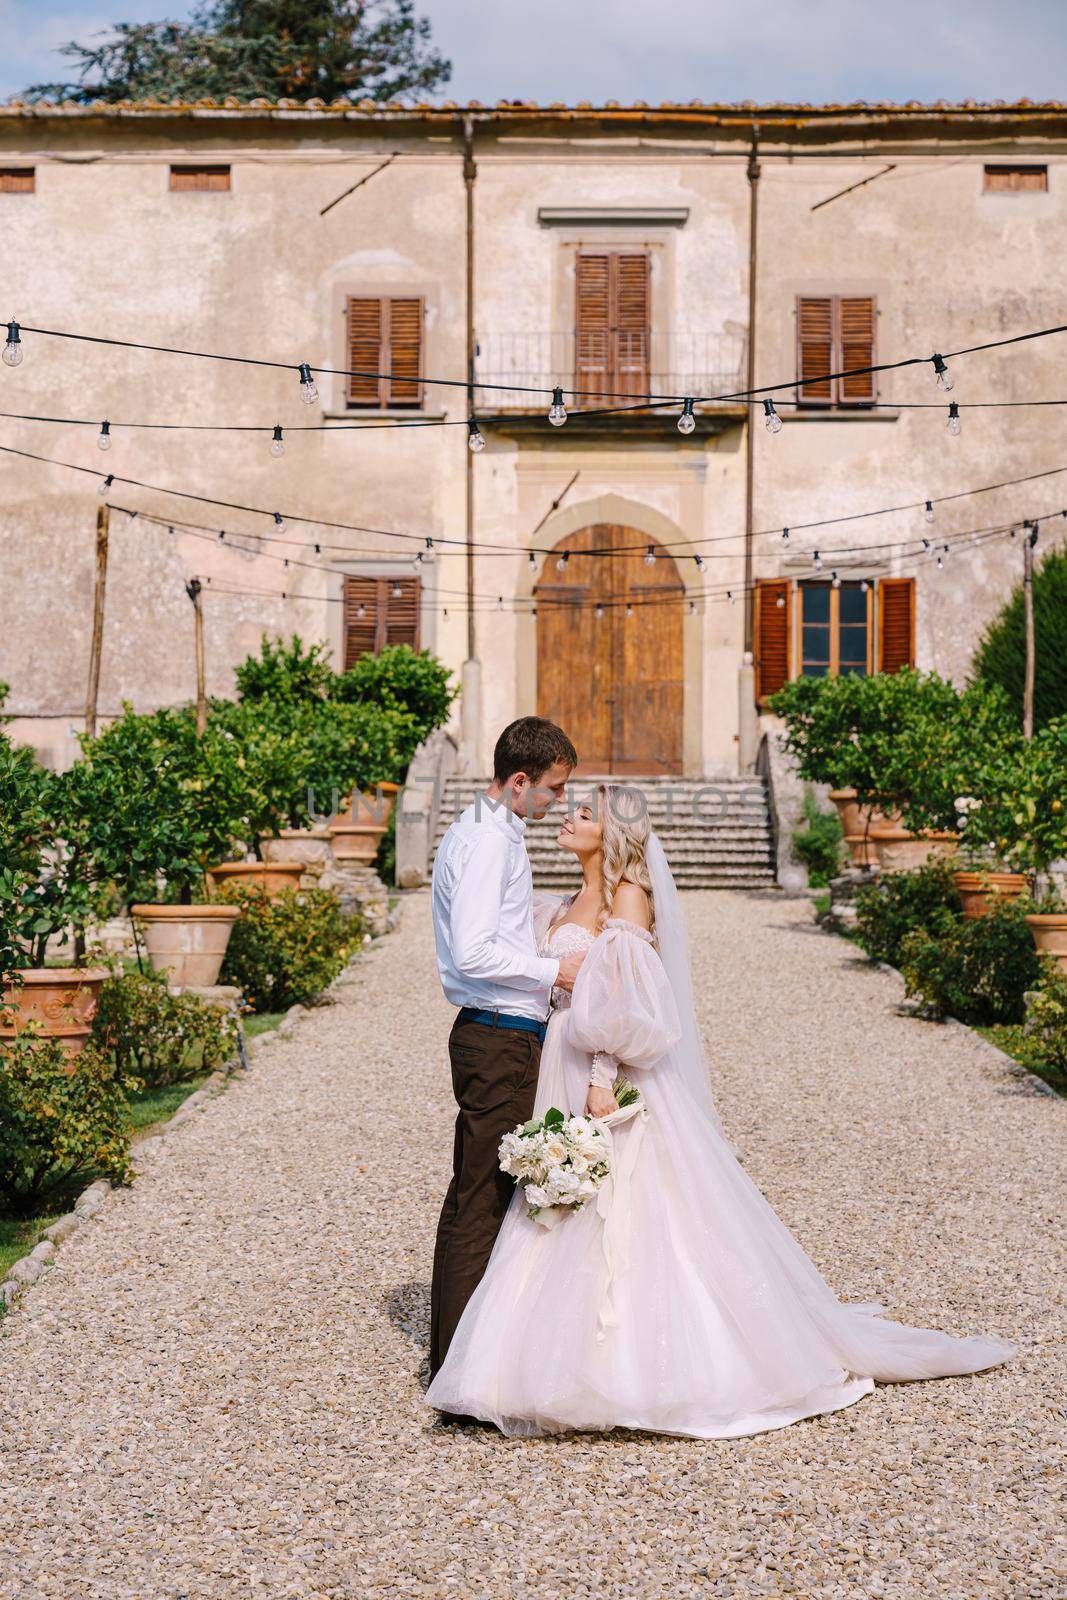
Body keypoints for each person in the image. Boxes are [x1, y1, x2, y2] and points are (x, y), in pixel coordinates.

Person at [425, 783, 1014, 1438]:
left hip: (602, 1077)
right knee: (556, 1206)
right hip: (552, 1073)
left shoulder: (629, 898)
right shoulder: (565, 899)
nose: (567, 817)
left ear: (614, 832)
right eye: (568, 807)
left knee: (628, 1209)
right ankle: (517, 1353)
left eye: (584, 813)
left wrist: (600, 1080)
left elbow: (631, 1008)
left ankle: (636, 1363)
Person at [429, 716, 582, 1379]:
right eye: (551, 789)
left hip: (491, 1031)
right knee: (485, 1197)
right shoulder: (489, 842)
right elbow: (471, 949)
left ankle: (454, 1352)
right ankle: (462, 1368)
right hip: (497, 1036)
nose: (553, 804)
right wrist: (554, 972)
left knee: (472, 1193)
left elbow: (493, 925)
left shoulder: (480, 831)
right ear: (519, 781)